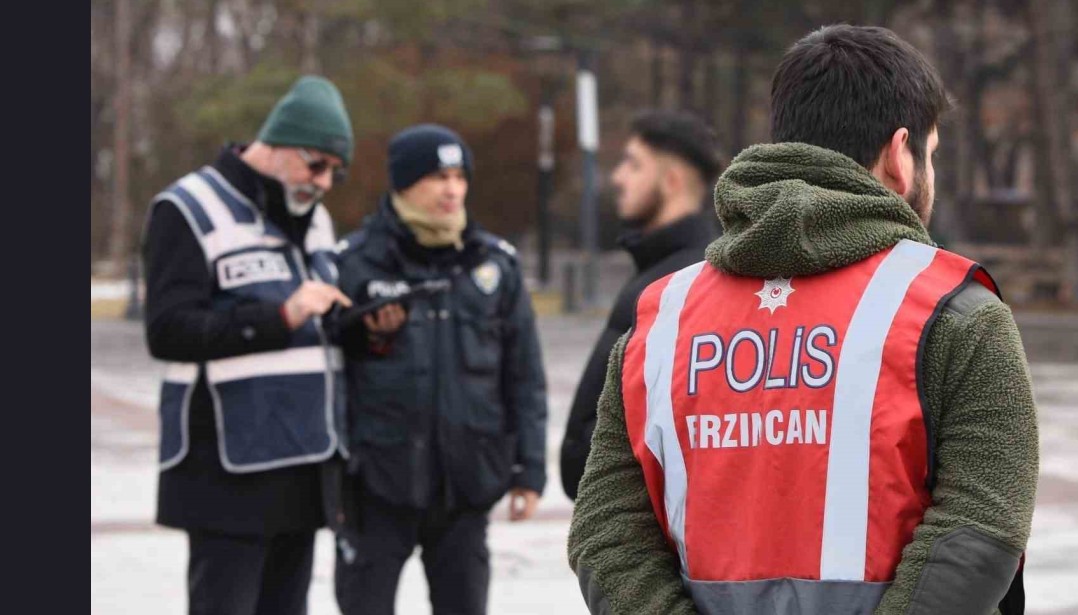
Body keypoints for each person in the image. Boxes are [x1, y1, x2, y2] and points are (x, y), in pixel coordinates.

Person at [567, 25, 1039, 615]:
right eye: (932, 154)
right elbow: (982, 524)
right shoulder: (955, 312)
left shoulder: (665, 319)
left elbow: (607, 531)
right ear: (900, 155)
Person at [142, 75, 355, 614]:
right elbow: (167, 330)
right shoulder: (188, 207)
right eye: (317, 164)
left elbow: (315, 332)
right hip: (226, 472)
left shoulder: (316, 219)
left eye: (335, 171)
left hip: (305, 463)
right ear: (279, 144)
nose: (325, 182)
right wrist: (279, 316)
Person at [331, 123, 548, 615]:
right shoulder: (356, 263)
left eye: (459, 176)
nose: (452, 189)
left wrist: (528, 471)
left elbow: (524, 376)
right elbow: (331, 373)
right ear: (403, 183)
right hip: (375, 487)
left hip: (466, 487)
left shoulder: (494, 265)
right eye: (436, 176)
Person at [560, 109, 721, 500]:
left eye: (633, 165)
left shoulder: (678, 284)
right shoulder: (660, 271)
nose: (618, 178)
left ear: (671, 181)